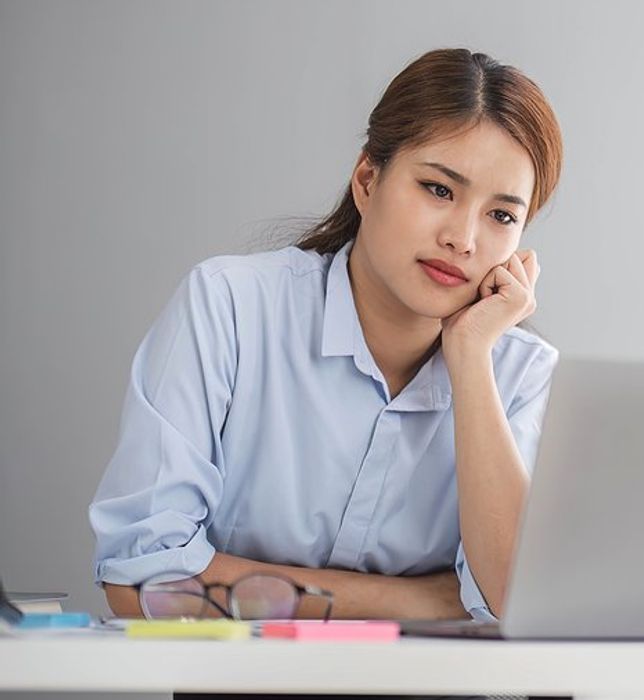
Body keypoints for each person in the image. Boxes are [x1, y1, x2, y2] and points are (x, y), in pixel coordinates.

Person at [88, 47, 563, 627]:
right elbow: (142, 578)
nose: (463, 239)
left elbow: (518, 604)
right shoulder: (232, 308)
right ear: (367, 180)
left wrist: (469, 360)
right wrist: (428, 600)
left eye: (502, 216)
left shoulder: (520, 373)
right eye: (439, 189)